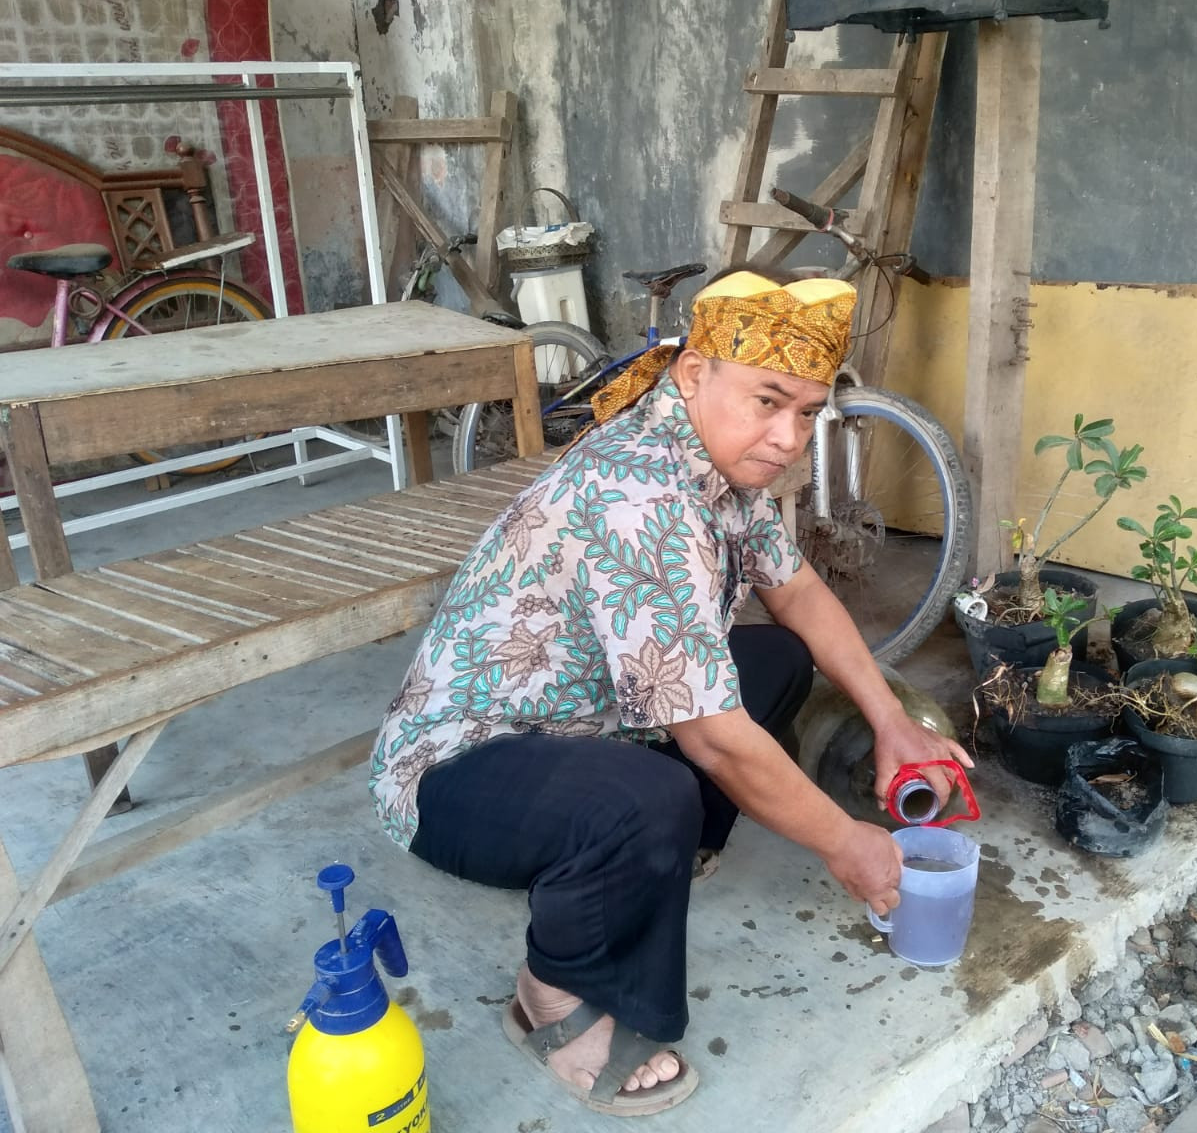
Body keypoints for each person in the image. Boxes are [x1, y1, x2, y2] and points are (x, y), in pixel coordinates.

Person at [369, 269, 973, 1117]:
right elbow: (716, 740)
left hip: (583, 727)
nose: (789, 436)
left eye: (806, 412)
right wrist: (848, 843)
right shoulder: (639, 495)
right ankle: (552, 993)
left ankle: (655, 857)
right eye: (768, 400)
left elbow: (796, 591)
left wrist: (889, 722)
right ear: (693, 375)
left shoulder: (718, 467)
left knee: (772, 662)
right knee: (650, 793)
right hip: (456, 769)